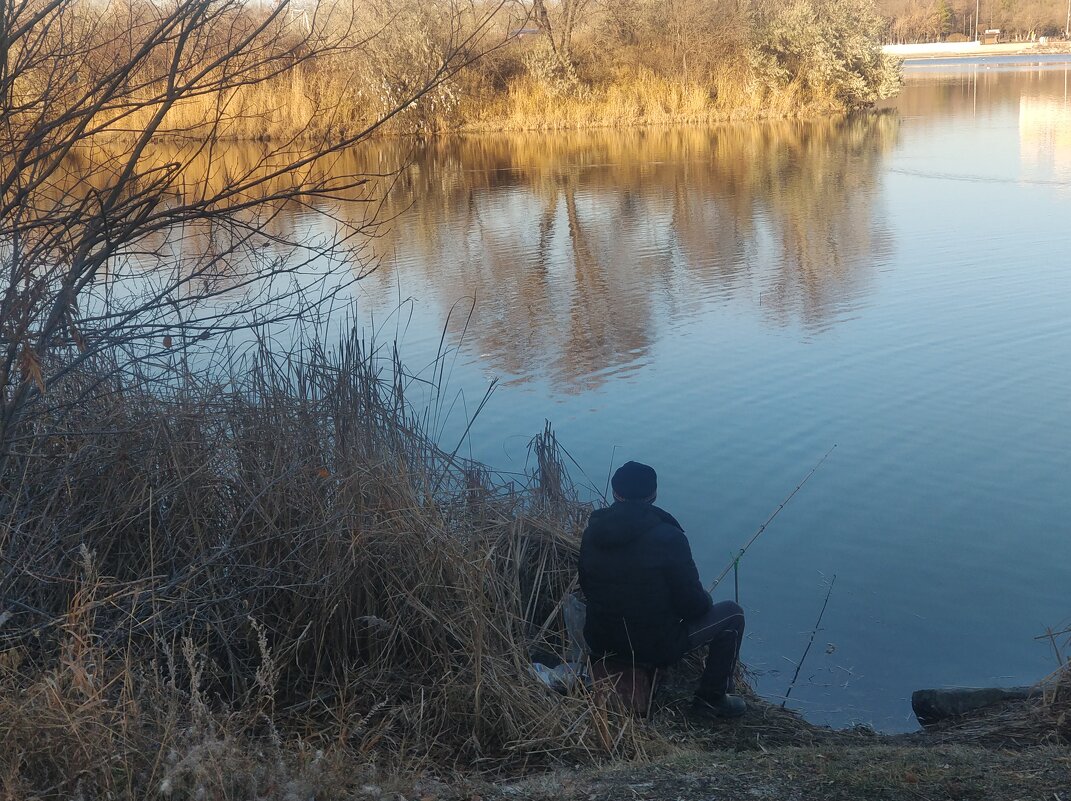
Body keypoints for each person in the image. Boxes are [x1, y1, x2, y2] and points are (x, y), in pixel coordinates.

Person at [578, 460, 747, 718]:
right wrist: (704, 600)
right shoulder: (669, 537)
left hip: (600, 640)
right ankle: (712, 700)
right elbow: (693, 607)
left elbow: (587, 588)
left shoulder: (592, 532)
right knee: (733, 615)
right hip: (653, 647)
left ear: (615, 494)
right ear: (654, 495)